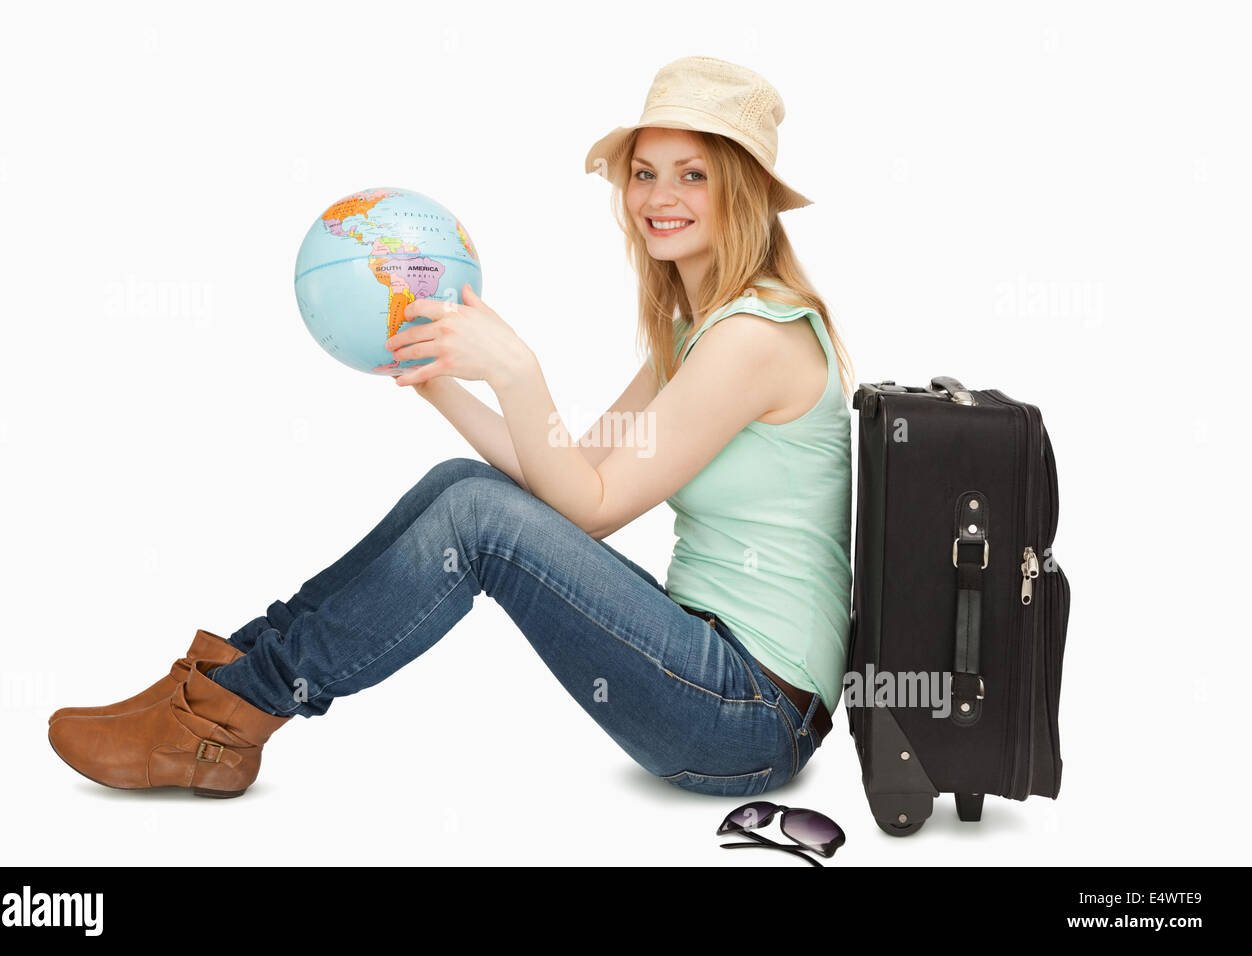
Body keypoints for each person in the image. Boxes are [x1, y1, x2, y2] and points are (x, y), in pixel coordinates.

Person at [47, 55, 855, 800]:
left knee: (478, 519)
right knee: (462, 486)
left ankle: (229, 723)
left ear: (742, 190)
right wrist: (442, 389)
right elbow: (570, 472)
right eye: (644, 173)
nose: (657, 197)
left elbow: (593, 509)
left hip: (751, 717)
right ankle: (230, 673)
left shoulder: (754, 339)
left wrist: (517, 371)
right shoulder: (698, 328)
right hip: (701, 662)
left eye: (692, 175)